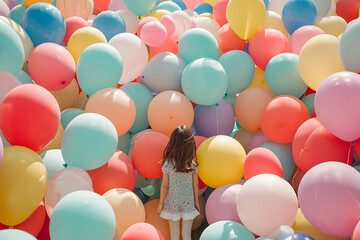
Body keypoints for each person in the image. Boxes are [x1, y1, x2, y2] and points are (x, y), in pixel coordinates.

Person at [156, 125, 200, 240]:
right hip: (188, 202)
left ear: (173, 142)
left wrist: (160, 204)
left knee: (174, 234)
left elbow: (164, 185)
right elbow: (195, 185)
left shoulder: (168, 163)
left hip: (172, 203)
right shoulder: (192, 163)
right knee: (186, 235)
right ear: (190, 142)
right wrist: (196, 202)